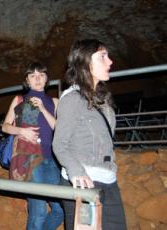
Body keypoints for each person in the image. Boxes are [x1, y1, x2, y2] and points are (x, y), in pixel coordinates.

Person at [53, 39, 127, 230]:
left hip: (109, 182)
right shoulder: (72, 99)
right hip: (83, 183)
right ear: (85, 62)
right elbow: (59, 144)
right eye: (103, 56)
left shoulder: (104, 102)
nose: (110, 62)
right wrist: (76, 171)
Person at [1, 62, 63, 230]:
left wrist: (43, 109)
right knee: (39, 212)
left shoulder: (55, 101)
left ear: (46, 79)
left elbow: (59, 128)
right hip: (31, 160)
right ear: (27, 80)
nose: (37, 79)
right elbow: (5, 126)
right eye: (33, 75)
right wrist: (21, 131)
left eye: (41, 75)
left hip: (52, 161)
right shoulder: (20, 99)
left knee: (59, 210)